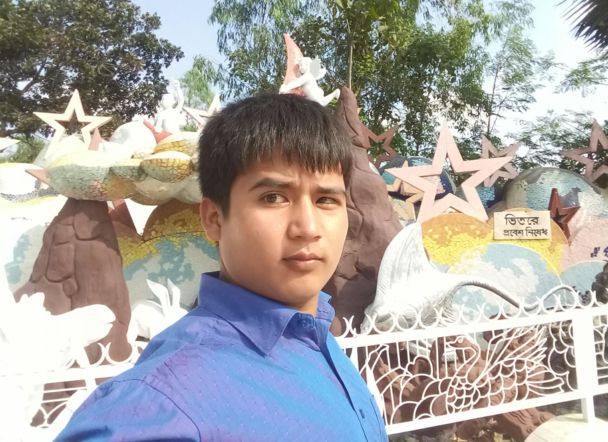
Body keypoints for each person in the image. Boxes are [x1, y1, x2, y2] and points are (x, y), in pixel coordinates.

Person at [56, 93, 388, 441]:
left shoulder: (317, 335)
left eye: (326, 200)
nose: (308, 227)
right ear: (214, 219)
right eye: (273, 198)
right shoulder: (164, 401)